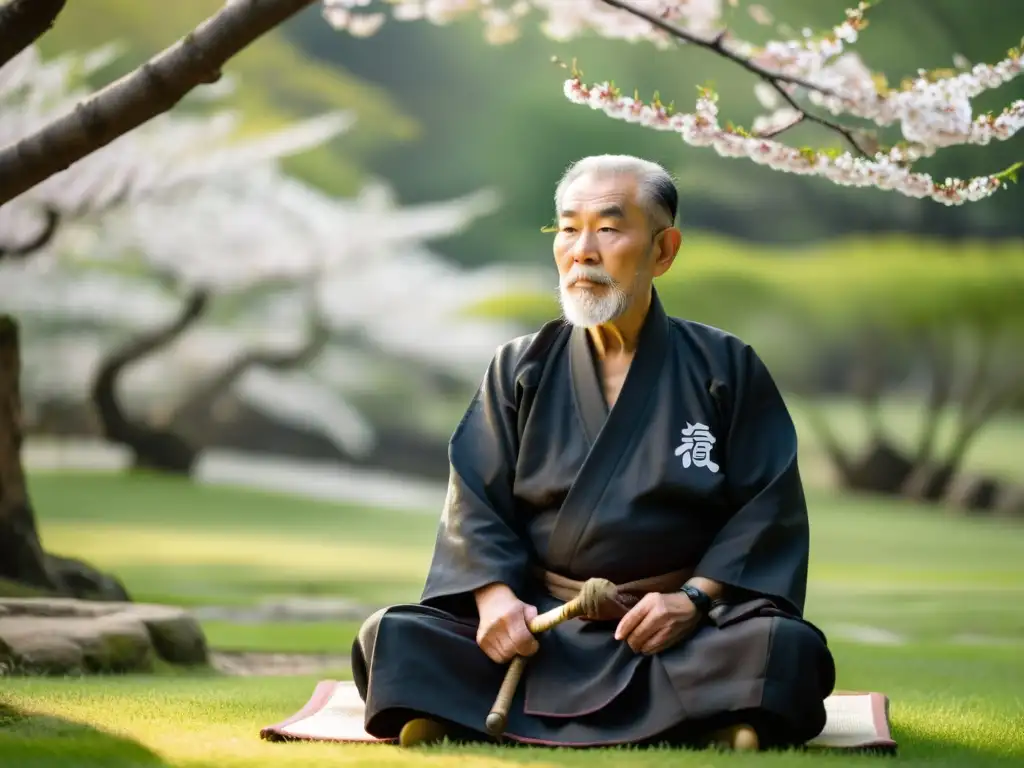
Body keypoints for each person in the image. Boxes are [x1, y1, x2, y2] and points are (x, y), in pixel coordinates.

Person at [351, 154, 836, 751]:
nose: (582, 249)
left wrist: (689, 601)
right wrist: (496, 600)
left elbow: (768, 508)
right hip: (542, 628)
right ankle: (714, 720)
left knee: (785, 647)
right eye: (568, 228)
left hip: (672, 634)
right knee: (393, 634)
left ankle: (451, 714)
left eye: (608, 228)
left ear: (663, 250)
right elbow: (473, 501)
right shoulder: (519, 367)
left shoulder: (725, 367)